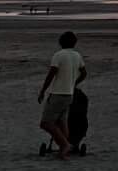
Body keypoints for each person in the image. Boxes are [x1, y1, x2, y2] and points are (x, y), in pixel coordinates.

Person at [36, 30, 85, 159]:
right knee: (62, 122)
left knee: (45, 123)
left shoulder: (59, 55)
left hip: (58, 94)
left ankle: (64, 145)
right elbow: (84, 73)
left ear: (61, 42)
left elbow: (51, 74)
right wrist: (73, 83)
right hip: (69, 95)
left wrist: (42, 90)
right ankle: (65, 147)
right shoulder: (77, 55)